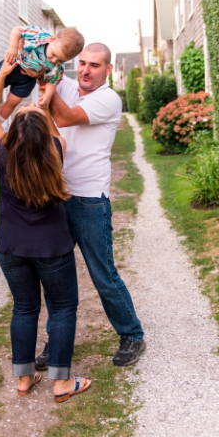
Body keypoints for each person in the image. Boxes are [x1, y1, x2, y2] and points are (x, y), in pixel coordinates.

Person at [0, 56, 91, 403]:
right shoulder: (56, 149)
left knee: (24, 308)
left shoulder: (1, 152)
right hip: (52, 247)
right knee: (62, 308)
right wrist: (45, 102)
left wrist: (1, 75)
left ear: (13, 132)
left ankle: (24, 379)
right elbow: (55, 130)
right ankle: (61, 383)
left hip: (11, 248)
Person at [37, 43, 146, 368]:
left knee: (103, 274)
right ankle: (54, 344)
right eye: (81, 63)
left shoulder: (109, 99)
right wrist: (44, 57)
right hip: (57, 198)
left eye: (94, 65)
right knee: (54, 277)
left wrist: (51, 82)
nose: (85, 70)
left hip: (89, 202)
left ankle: (132, 334)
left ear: (108, 70)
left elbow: (64, 116)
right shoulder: (69, 86)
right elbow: (46, 74)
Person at [0, 26, 84, 126]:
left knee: (13, 101)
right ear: (52, 39)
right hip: (13, 64)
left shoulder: (58, 67)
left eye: (60, 60)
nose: (54, 60)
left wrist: (47, 96)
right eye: (53, 54)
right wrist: (13, 47)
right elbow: (17, 30)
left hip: (28, 78)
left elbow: (52, 82)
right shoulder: (40, 36)